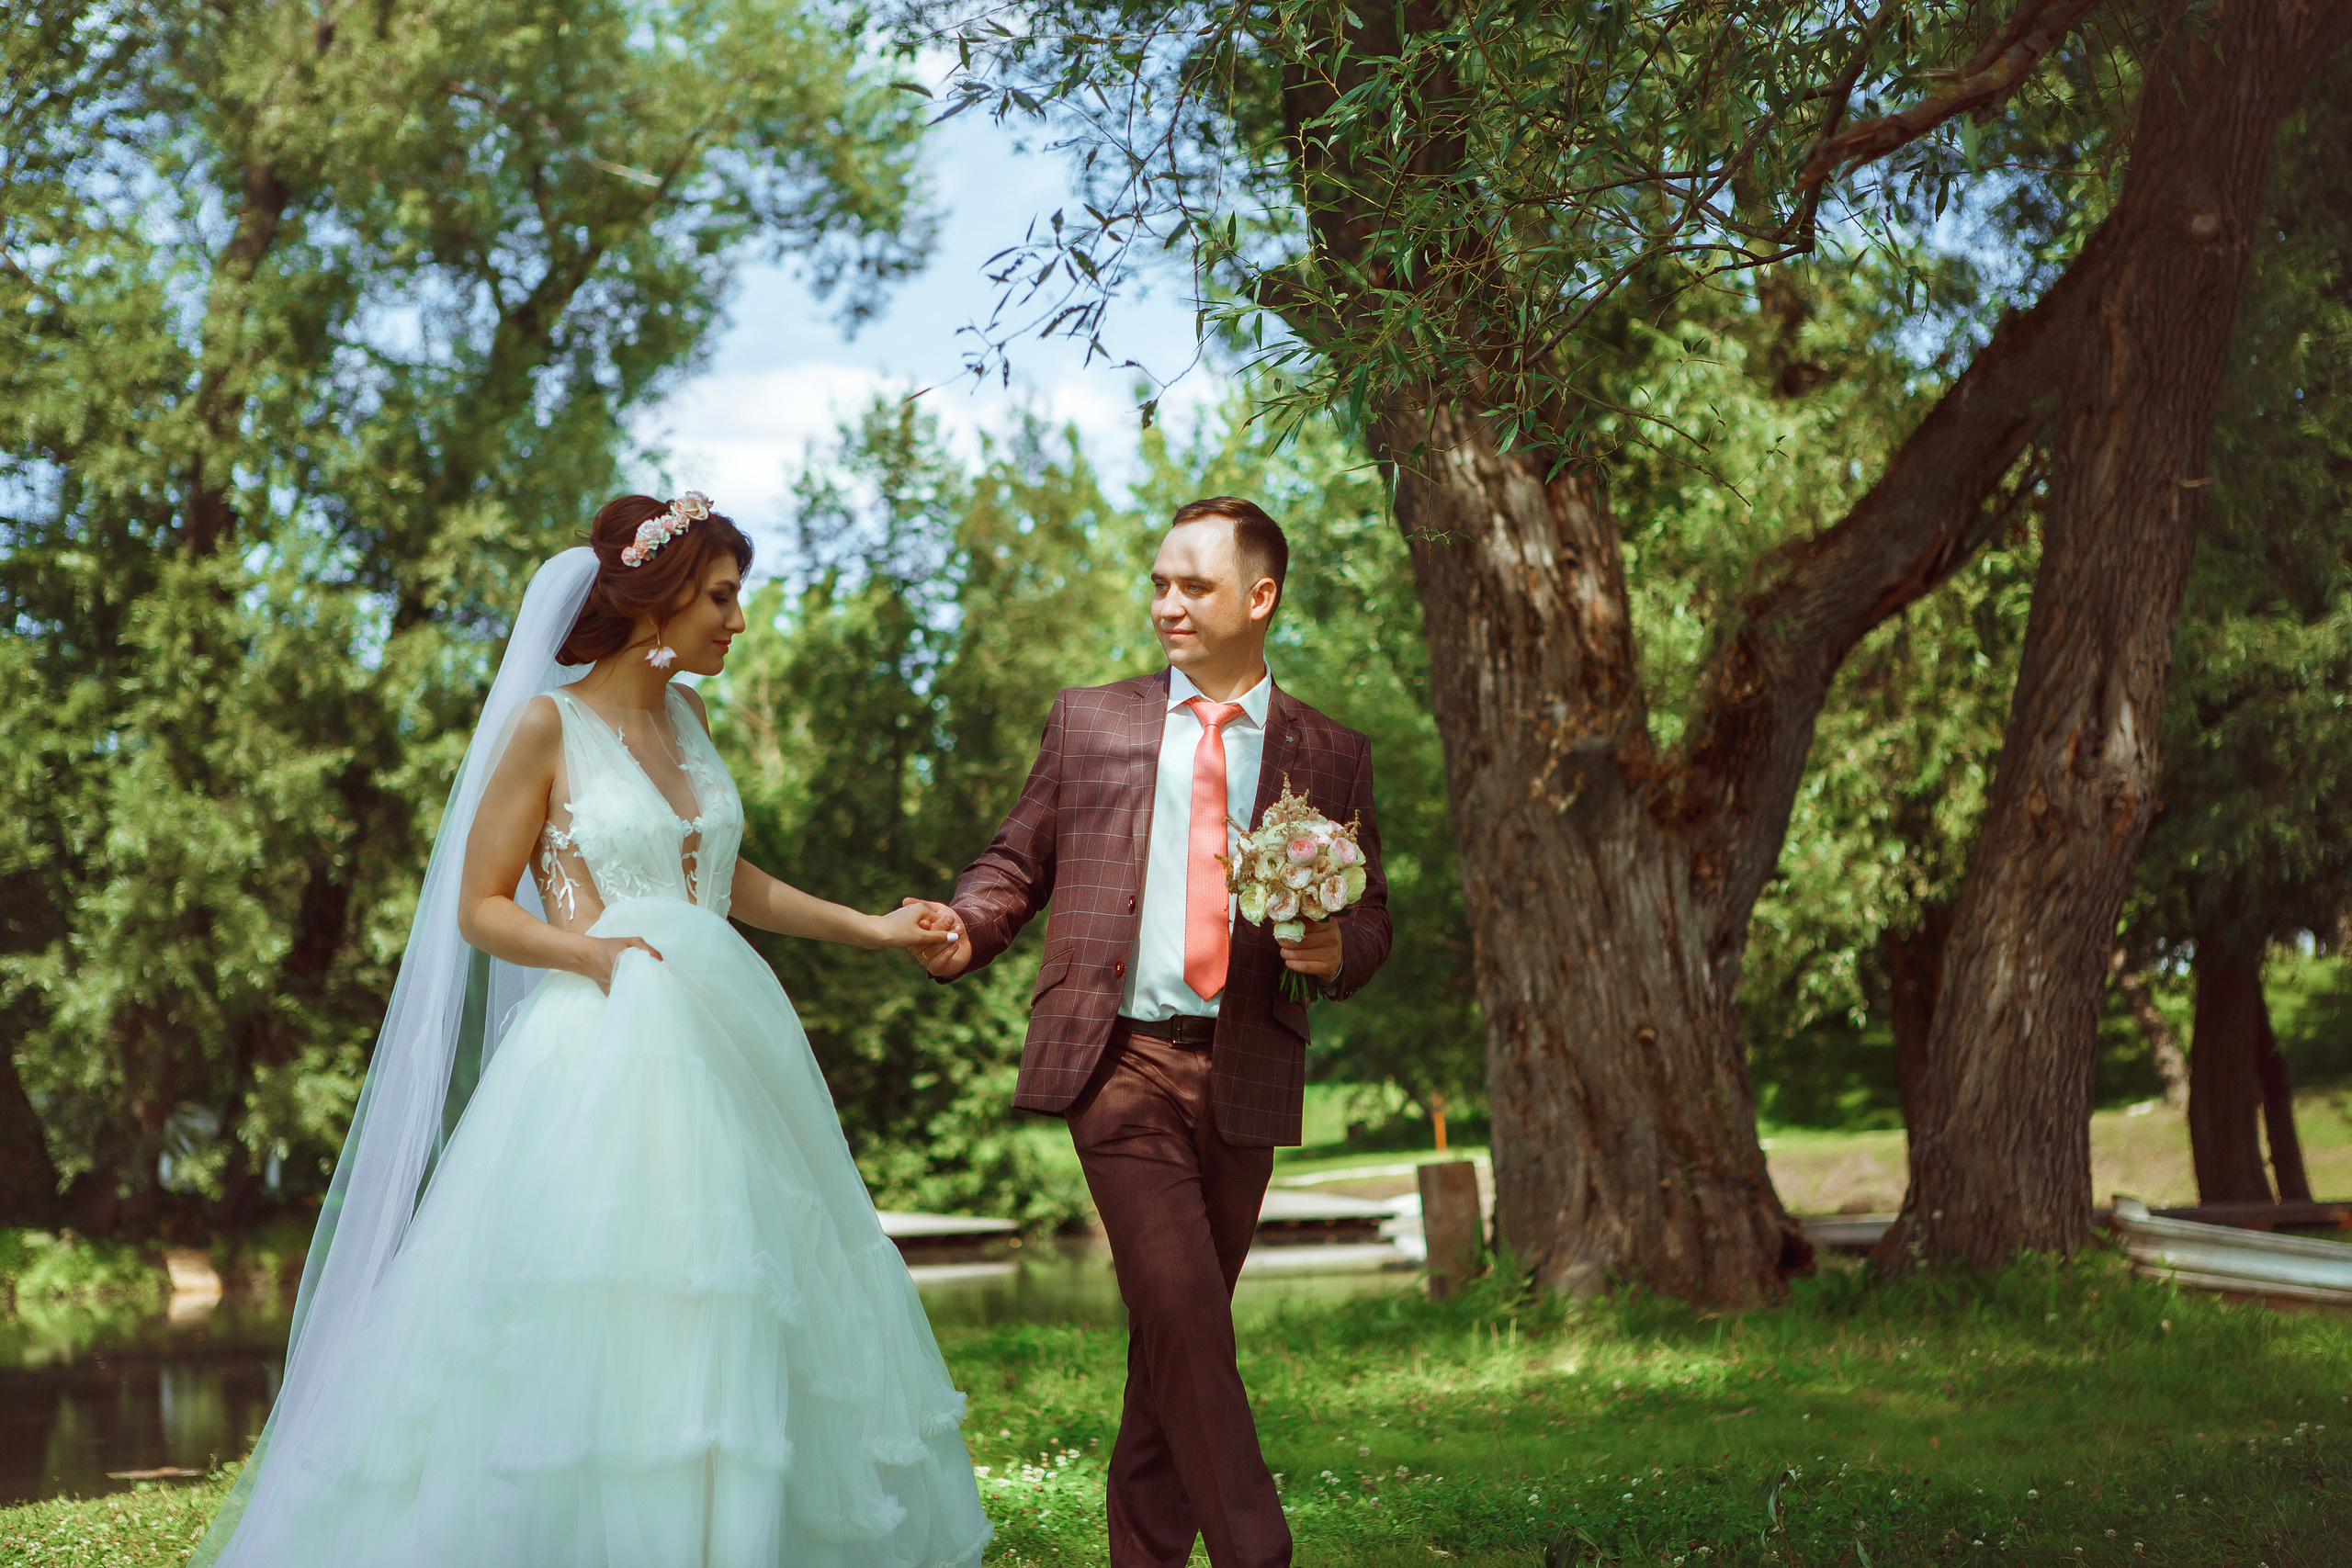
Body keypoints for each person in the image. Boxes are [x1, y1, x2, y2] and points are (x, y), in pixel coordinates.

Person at [194, 495, 991, 1568]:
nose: (737, 622)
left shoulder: (688, 722)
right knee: (618, 1289)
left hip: (722, 1039)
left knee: (740, 1284)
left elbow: (724, 875)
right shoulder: (546, 726)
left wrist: (872, 928)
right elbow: (479, 903)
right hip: (601, 1045)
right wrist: (587, 952)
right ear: (654, 601)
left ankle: (730, 1533)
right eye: (721, 598)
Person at [911, 497, 1392, 1568]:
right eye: (1159, 582)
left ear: (1259, 599)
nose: (1166, 603)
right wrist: (969, 926)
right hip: (1115, 1061)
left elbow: (1371, 916)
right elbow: (1016, 861)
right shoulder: (1091, 721)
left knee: (1176, 1342)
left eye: (1194, 586)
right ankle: (1259, 1554)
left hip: (1248, 1072)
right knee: (1183, 1314)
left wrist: (1333, 953)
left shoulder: (1331, 751)